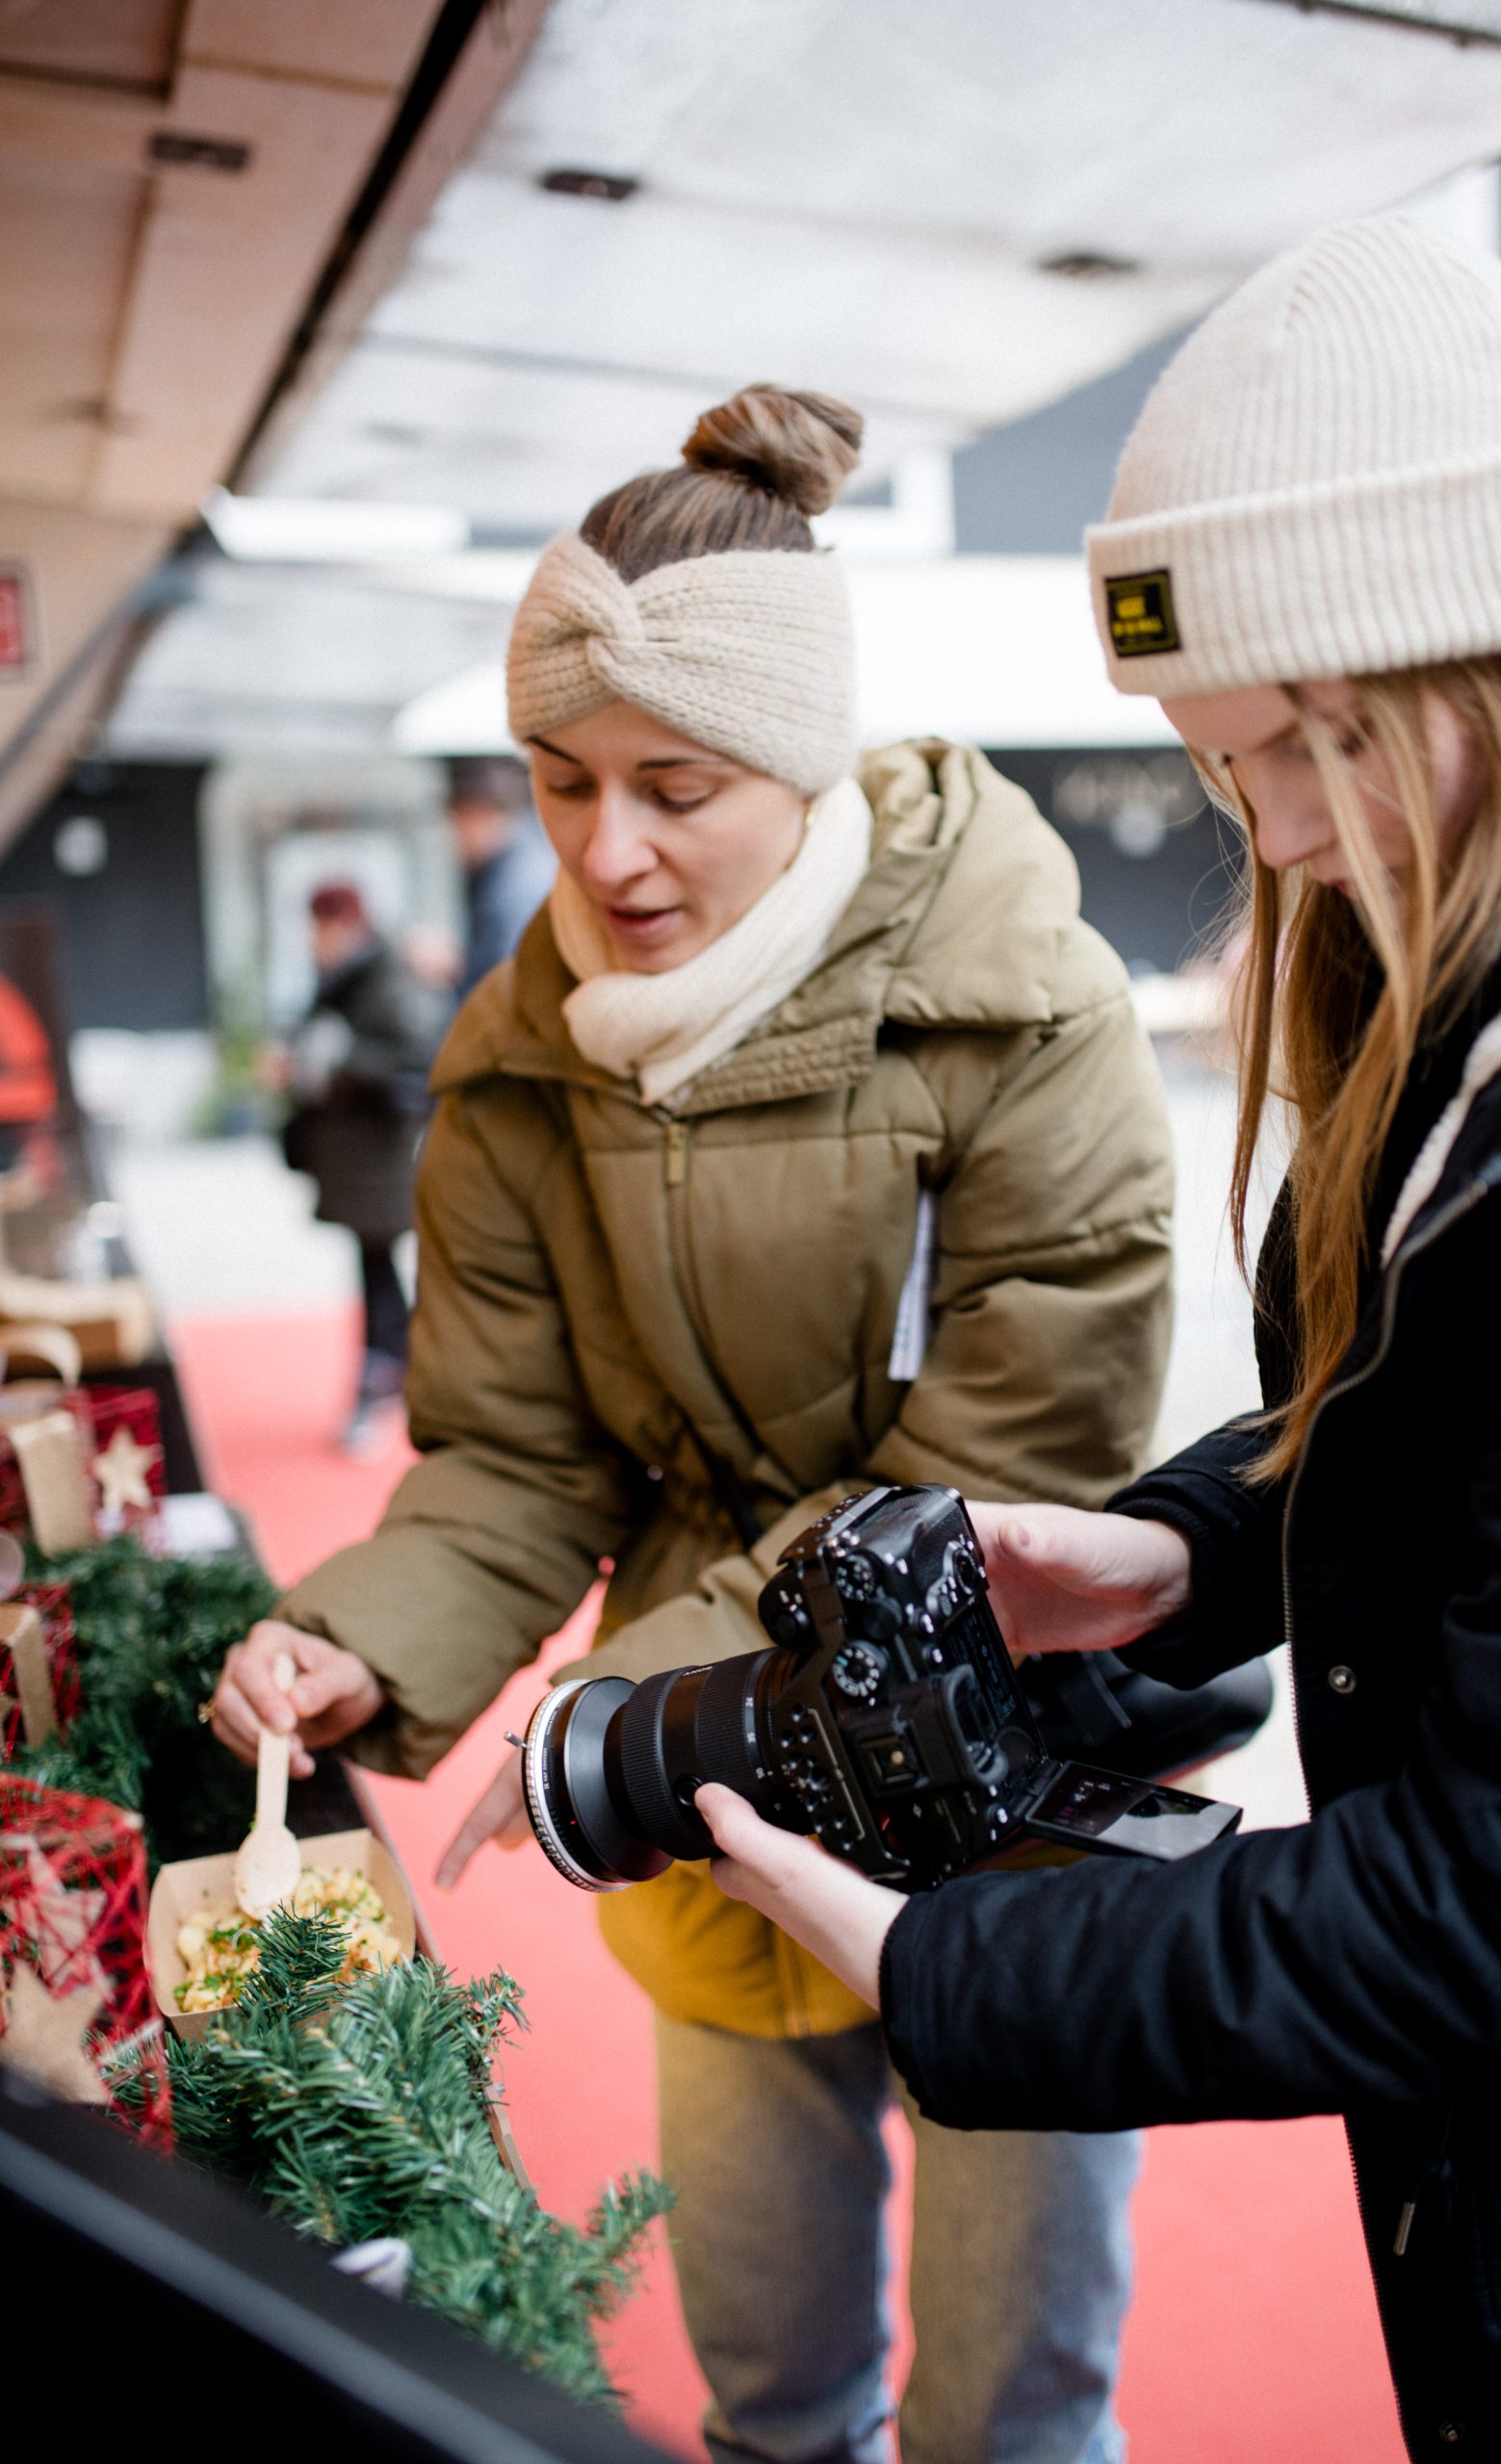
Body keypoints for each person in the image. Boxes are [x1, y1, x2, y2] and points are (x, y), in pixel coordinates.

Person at [693, 220, 1501, 2462]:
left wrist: (952, 1971)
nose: (1282, 835)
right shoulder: (1466, 934)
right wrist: (1195, 1542)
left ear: (1495, 654)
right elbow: (1462, 1428)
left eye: (1316, 738)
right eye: (1226, 766)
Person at [208, 384, 1177, 2464]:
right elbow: (511, 1446)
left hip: (1003, 1767)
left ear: (804, 761)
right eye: (558, 781)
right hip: (712, 1792)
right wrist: (371, 1625)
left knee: (1016, 2405)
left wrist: (615, 1725)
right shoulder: (518, 1063)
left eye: (674, 782)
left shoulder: (1015, 999)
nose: (605, 849)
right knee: (767, 2377)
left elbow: (1006, 1471)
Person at [276, 882, 446, 1454]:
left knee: (380, 1275)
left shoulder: (386, 977)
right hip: (355, 1158)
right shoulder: (348, 978)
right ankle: (391, 1378)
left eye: (321, 924)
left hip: (381, 1157)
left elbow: (416, 1061)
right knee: (376, 1272)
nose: (314, 939)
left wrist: (340, 1060)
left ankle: (387, 1381)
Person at [446, 753, 558, 994]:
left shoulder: (516, 885)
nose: (453, 838)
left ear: (478, 815)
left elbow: (503, 985)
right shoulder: (516, 864)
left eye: (456, 820)